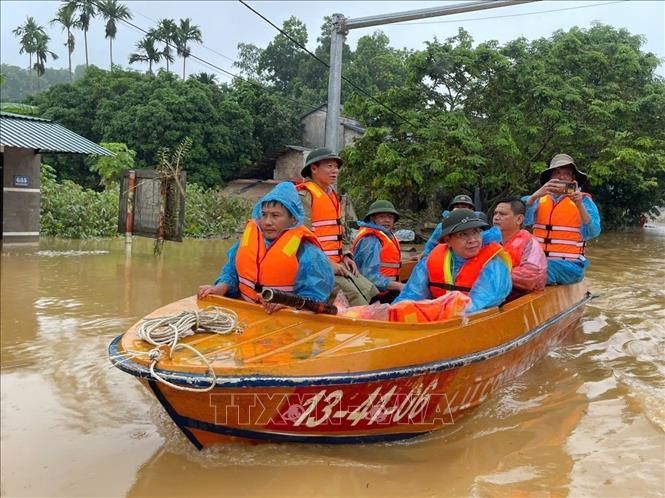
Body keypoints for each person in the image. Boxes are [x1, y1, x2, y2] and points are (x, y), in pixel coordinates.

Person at [197, 182, 334, 314]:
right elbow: (231, 273)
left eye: (275, 215)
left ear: (292, 219)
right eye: (264, 215)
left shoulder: (308, 252)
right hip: (247, 312)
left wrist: (287, 303)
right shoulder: (246, 243)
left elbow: (315, 298)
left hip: (285, 322)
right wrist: (220, 288)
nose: (267, 222)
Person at [297, 147, 379, 306]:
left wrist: (346, 254)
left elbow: (340, 230)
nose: (335, 171)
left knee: (370, 290)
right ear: (314, 168)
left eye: (336, 167)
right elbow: (301, 238)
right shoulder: (305, 195)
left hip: (338, 262)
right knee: (357, 300)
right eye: (329, 166)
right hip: (318, 267)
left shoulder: (332, 194)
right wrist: (327, 264)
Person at [393, 208, 512, 315]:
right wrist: (393, 313)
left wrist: (437, 313)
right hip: (440, 318)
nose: (472, 240)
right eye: (463, 234)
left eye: (476, 232)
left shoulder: (493, 264)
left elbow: (481, 302)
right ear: (448, 240)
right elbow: (411, 294)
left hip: (478, 322)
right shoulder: (430, 260)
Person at [523, 153, 601, 285]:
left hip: (570, 266)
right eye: (557, 172)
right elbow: (522, 221)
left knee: (538, 269)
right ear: (550, 178)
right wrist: (534, 196)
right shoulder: (535, 199)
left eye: (567, 173)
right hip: (537, 262)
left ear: (573, 179)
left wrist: (579, 205)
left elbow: (593, 232)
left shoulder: (584, 201)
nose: (562, 176)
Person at [352, 199, 404, 303]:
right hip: (374, 295)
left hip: (386, 291)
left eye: (390, 217)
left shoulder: (384, 236)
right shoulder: (371, 239)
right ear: (372, 218)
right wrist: (399, 286)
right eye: (382, 217)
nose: (387, 220)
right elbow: (369, 276)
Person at [492, 197, 547, 294]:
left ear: (519, 219)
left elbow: (530, 277)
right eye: (495, 213)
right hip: (494, 291)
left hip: (521, 294)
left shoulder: (530, 243)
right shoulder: (490, 242)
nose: (496, 217)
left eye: (502, 214)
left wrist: (493, 273)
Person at [423, 194, 496, 257]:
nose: (460, 209)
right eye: (457, 206)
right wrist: (425, 255)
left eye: (464, 207)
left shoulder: (479, 224)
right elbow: (431, 245)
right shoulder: (443, 226)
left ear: (471, 210)